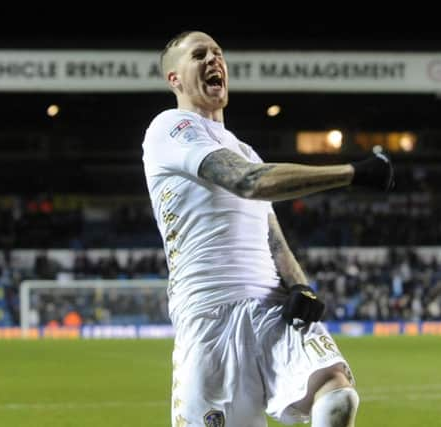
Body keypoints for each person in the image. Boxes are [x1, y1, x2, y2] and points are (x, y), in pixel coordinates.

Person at [142, 30, 394, 427]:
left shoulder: (244, 149)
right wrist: (354, 173)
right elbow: (250, 182)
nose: (214, 60)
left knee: (337, 395)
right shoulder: (169, 128)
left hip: (269, 308)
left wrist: (300, 285)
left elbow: (271, 233)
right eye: (199, 54)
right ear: (174, 79)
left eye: (218, 53)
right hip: (210, 316)